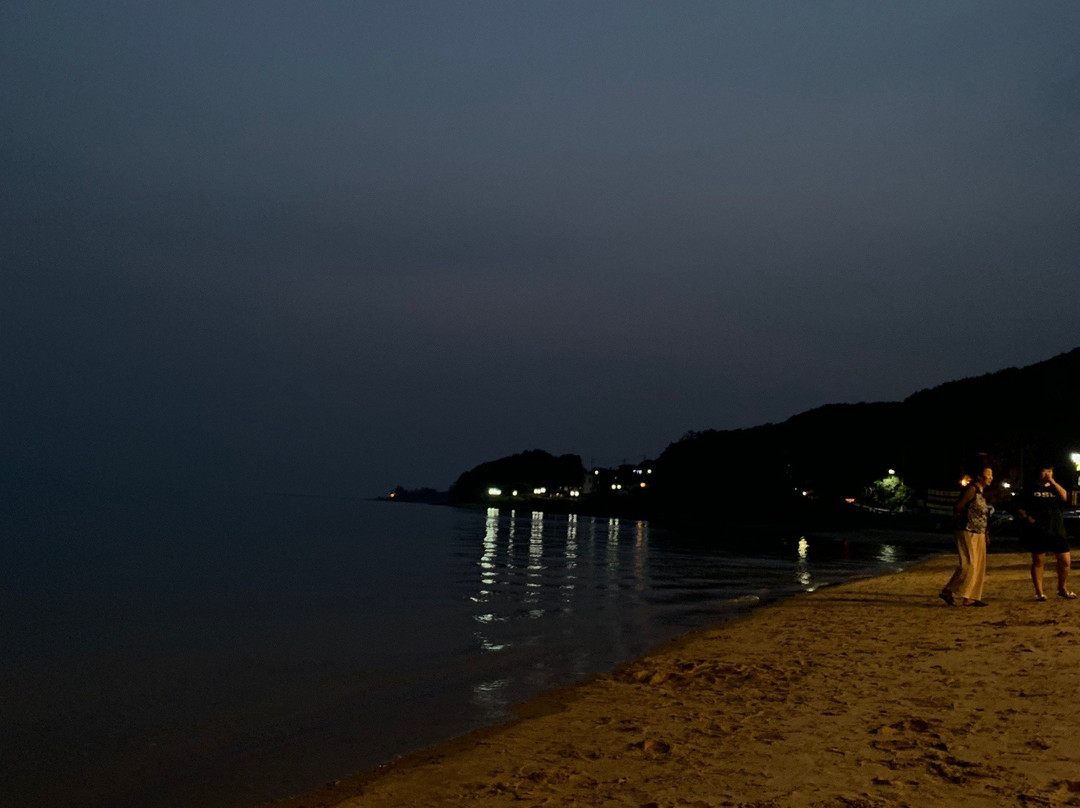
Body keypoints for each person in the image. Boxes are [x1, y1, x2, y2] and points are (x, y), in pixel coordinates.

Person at [1018, 463, 1074, 601]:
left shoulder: (1055, 487)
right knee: (1038, 561)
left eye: (1049, 471)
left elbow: (1065, 497)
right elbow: (1019, 507)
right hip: (1038, 530)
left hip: (1057, 529)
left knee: (1065, 561)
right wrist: (1027, 518)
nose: (1047, 474)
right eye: (1044, 471)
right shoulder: (1030, 488)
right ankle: (1039, 592)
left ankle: (1061, 588)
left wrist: (1053, 482)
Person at [939, 464, 992, 606]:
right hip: (967, 530)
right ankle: (948, 590)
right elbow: (959, 507)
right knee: (969, 565)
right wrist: (958, 523)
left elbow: (983, 516)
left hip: (980, 531)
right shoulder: (972, 489)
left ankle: (971, 597)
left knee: (979, 565)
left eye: (991, 474)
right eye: (988, 474)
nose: (991, 477)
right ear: (979, 476)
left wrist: (986, 533)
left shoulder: (982, 492)